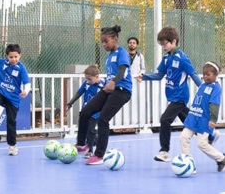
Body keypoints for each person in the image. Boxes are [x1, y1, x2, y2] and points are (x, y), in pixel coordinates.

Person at [138, 26, 202, 163]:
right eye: (161, 44)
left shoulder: (183, 58)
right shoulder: (166, 58)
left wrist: (203, 88)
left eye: (165, 44)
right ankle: (209, 134)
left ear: (173, 41)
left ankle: (164, 151)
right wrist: (145, 77)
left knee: (165, 120)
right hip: (172, 96)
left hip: (180, 96)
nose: (163, 47)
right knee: (189, 121)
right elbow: (160, 75)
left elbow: (193, 74)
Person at [77, 25, 133, 165]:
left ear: (115, 39)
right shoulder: (109, 57)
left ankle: (99, 155)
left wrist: (114, 82)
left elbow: (122, 70)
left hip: (121, 91)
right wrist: (109, 85)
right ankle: (82, 144)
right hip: (108, 90)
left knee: (103, 119)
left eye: (106, 41)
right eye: (102, 41)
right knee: (85, 112)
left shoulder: (122, 53)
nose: (104, 44)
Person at [180, 61, 225, 172]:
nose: (205, 76)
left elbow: (214, 104)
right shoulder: (202, 85)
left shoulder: (216, 87)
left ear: (215, 75)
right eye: (204, 74)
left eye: (208, 74)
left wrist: (213, 119)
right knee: (183, 137)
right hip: (193, 116)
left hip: (204, 120)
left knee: (201, 144)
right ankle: (189, 164)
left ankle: (221, 158)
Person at [66, 65, 102, 153]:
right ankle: (81, 144)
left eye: (90, 79)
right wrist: (70, 103)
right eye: (86, 79)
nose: (88, 81)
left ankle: (90, 150)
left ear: (97, 77)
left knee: (91, 129)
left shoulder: (102, 86)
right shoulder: (86, 84)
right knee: (82, 126)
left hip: (95, 112)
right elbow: (79, 92)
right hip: (85, 110)